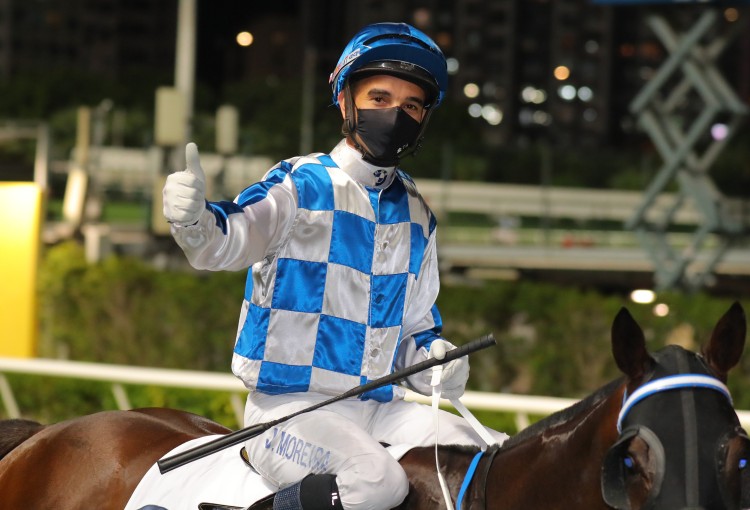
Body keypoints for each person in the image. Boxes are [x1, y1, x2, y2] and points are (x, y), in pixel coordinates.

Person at [162, 22, 507, 510]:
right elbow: (228, 240)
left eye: (411, 106)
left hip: (377, 411)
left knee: (491, 453)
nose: (395, 115)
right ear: (346, 100)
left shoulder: (418, 215)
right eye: (380, 97)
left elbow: (414, 335)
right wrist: (194, 220)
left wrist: (437, 363)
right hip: (284, 414)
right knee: (377, 482)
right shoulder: (301, 184)